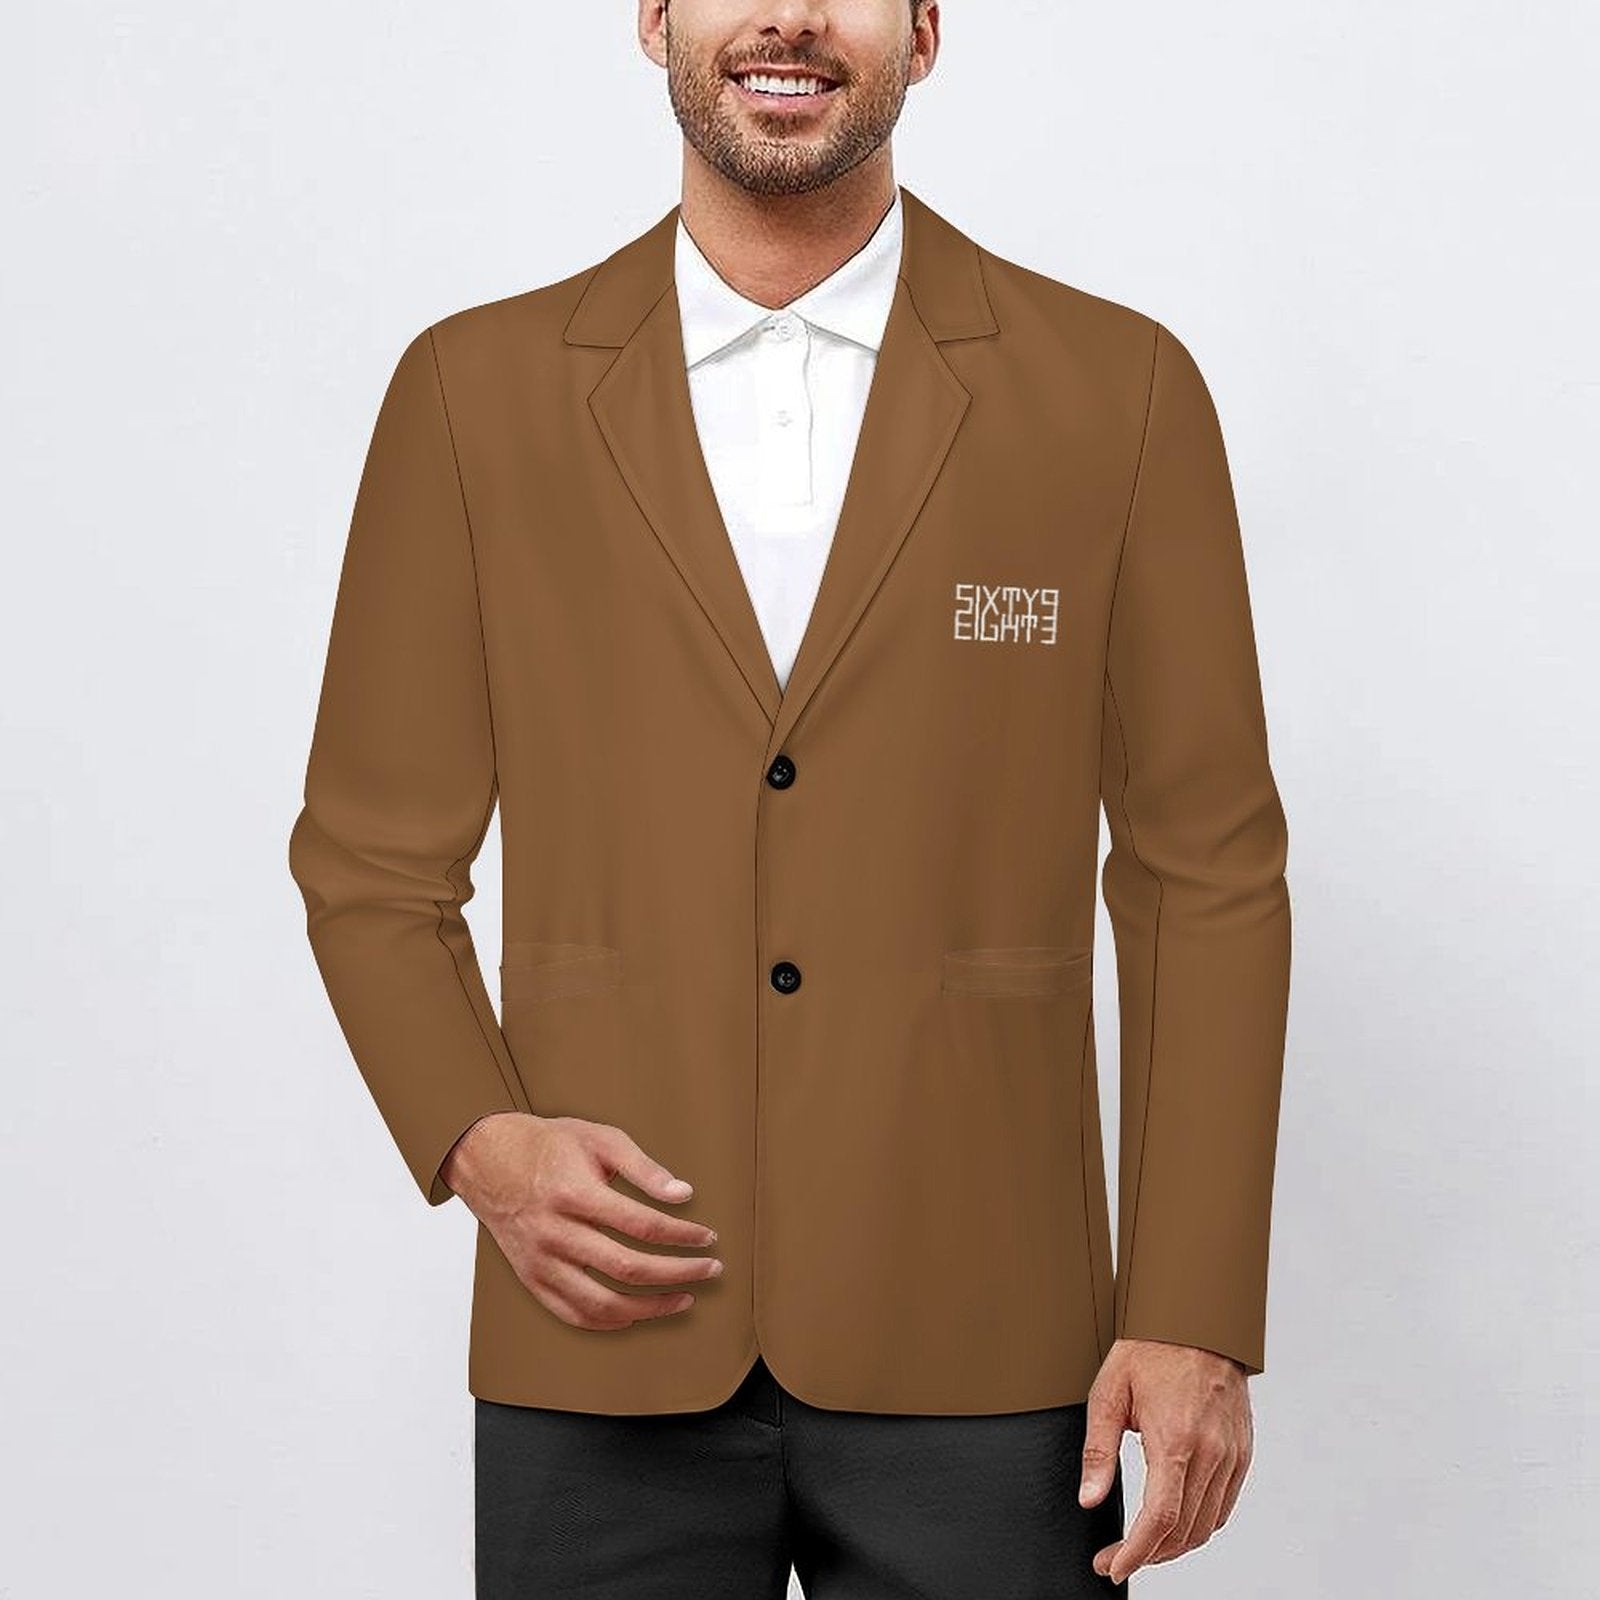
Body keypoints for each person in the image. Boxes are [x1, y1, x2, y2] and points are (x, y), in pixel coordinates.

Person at [288, 2, 1292, 1594]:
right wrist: (477, 1142)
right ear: (654, 19)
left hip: (992, 1332)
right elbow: (367, 861)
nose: (790, 18)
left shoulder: (1121, 392)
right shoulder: (472, 395)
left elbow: (1205, 875)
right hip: (603, 1324)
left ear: (925, 30)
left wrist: (1193, 1307)